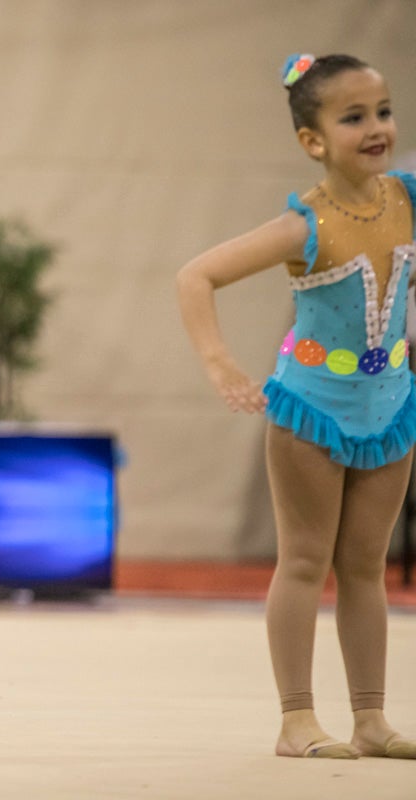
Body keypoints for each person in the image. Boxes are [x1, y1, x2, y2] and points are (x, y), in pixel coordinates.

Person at [177, 54, 416, 759]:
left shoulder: (407, 199)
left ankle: (371, 718)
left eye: (383, 111)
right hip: (311, 411)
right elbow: (198, 275)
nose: (376, 128)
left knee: (366, 567)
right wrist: (221, 362)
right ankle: (297, 719)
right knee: (307, 562)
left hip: (390, 407)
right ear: (313, 141)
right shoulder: (302, 225)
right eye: (353, 118)